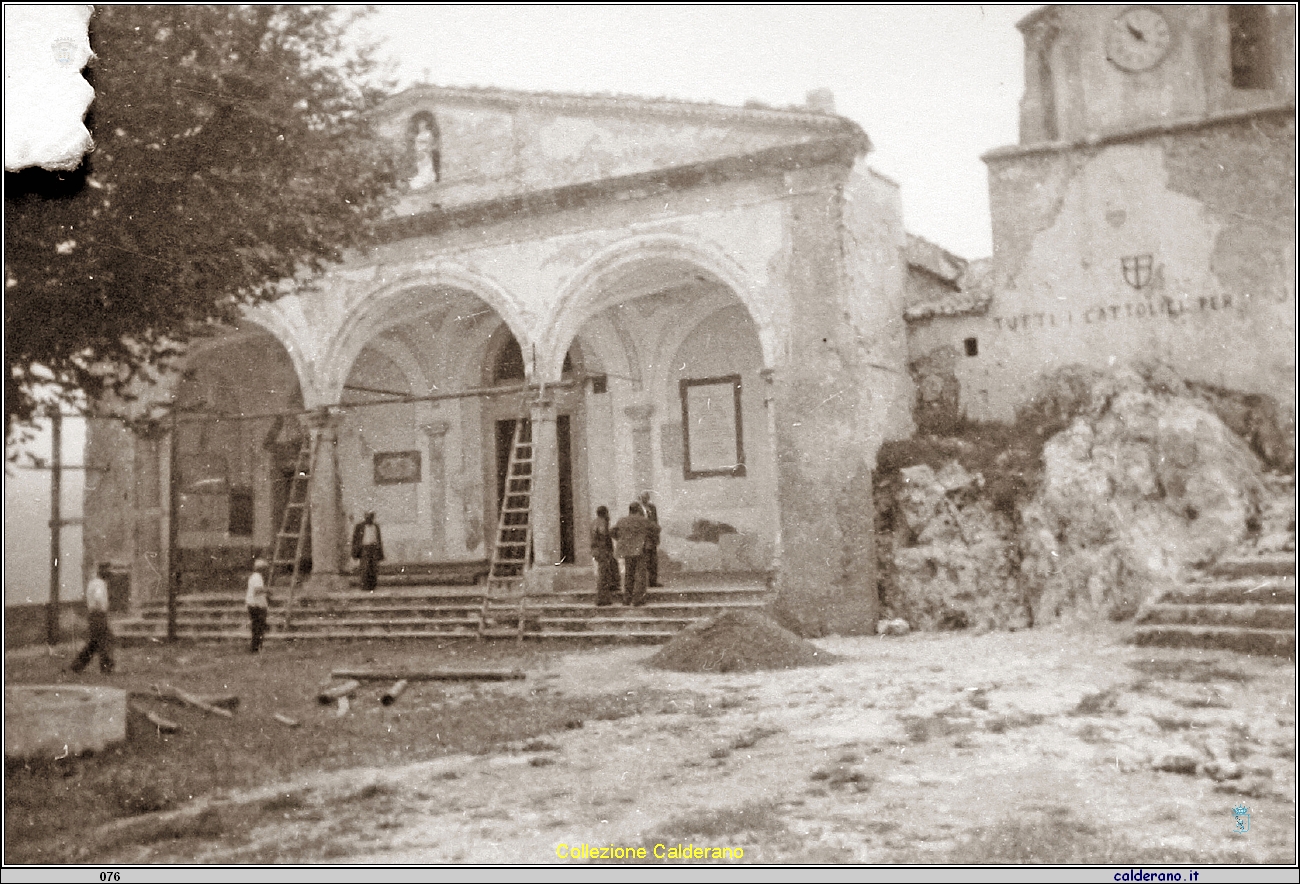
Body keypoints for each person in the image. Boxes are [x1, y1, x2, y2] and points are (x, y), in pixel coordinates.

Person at [70, 563, 114, 674]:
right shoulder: (99, 584)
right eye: (108, 572)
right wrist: (101, 610)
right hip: (98, 614)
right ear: (103, 572)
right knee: (105, 641)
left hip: (94, 615)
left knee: (94, 643)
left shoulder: (93, 583)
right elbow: (98, 598)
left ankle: (77, 666)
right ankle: (106, 667)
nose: (109, 574)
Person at [611, 502, 655, 606]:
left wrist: (620, 539)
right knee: (640, 575)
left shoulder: (622, 520)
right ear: (638, 510)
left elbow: (612, 531)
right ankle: (638, 599)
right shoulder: (643, 520)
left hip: (627, 550)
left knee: (628, 575)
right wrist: (646, 538)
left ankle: (627, 599)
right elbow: (656, 529)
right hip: (640, 550)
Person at [590, 506, 620, 606]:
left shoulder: (594, 522)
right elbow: (604, 536)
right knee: (604, 574)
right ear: (605, 513)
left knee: (605, 571)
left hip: (597, 550)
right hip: (602, 550)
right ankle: (602, 598)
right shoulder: (602, 522)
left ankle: (608, 591)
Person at [351, 511, 385, 592]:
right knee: (364, 567)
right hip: (364, 548)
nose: (369, 519)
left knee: (373, 567)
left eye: (371, 517)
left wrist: (380, 552)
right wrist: (355, 551)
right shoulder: (359, 526)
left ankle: (372, 586)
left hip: (374, 548)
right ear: (365, 517)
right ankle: (364, 585)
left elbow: (378, 539)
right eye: (368, 517)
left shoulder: (376, 527)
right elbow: (355, 539)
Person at [246, 557, 271, 653]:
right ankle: (256, 647)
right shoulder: (257, 577)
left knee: (257, 627)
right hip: (256, 605)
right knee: (258, 627)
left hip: (254, 604)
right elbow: (257, 590)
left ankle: (256, 647)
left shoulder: (255, 577)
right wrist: (267, 590)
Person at [639, 490, 662, 587]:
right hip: (642, 537)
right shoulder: (637, 508)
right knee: (644, 560)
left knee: (653, 560)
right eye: (643, 497)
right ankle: (643, 581)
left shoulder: (652, 507)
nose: (645, 499)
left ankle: (653, 581)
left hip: (652, 537)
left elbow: (655, 521)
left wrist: (657, 536)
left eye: (646, 497)